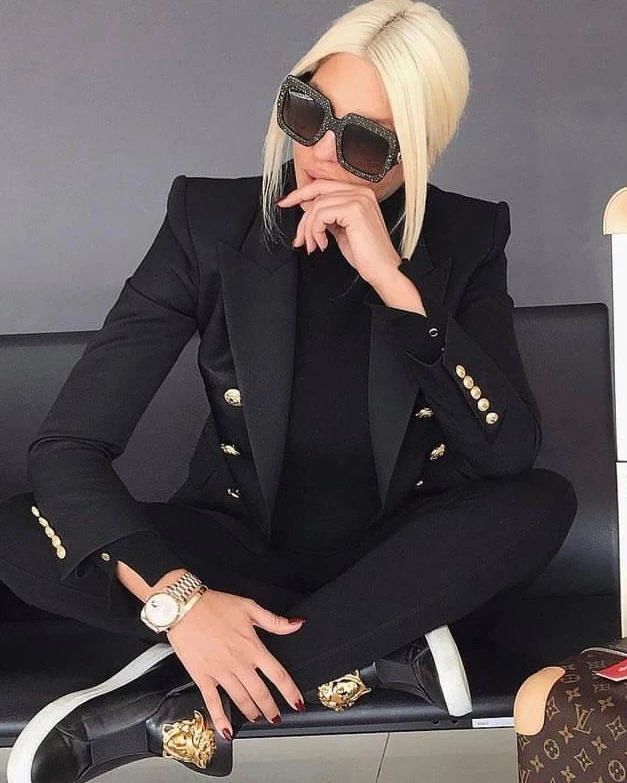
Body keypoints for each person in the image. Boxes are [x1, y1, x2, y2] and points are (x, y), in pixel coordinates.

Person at [0, 0, 577, 780]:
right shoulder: (209, 222)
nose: (322, 153)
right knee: (18, 529)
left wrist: (392, 280)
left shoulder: (464, 236)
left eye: (365, 143)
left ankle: (167, 708)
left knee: (539, 502)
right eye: (309, 113)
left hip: (399, 555)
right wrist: (183, 601)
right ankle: (366, 649)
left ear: (417, 151)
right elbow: (68, 445)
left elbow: (505, 452)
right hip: (237, 557)